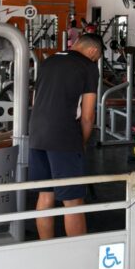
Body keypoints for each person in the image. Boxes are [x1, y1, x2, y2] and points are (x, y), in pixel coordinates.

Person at [28, 33, 103, 239]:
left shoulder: (48, 61)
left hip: (37, 132)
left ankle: (46, 247)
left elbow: (35, 100)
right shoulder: (88, 67)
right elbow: (87, 116)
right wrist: (82, 143)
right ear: (93, 51)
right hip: (64, 135)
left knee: (45, 195)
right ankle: (77, 253)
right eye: (96, 57)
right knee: (73, 201)